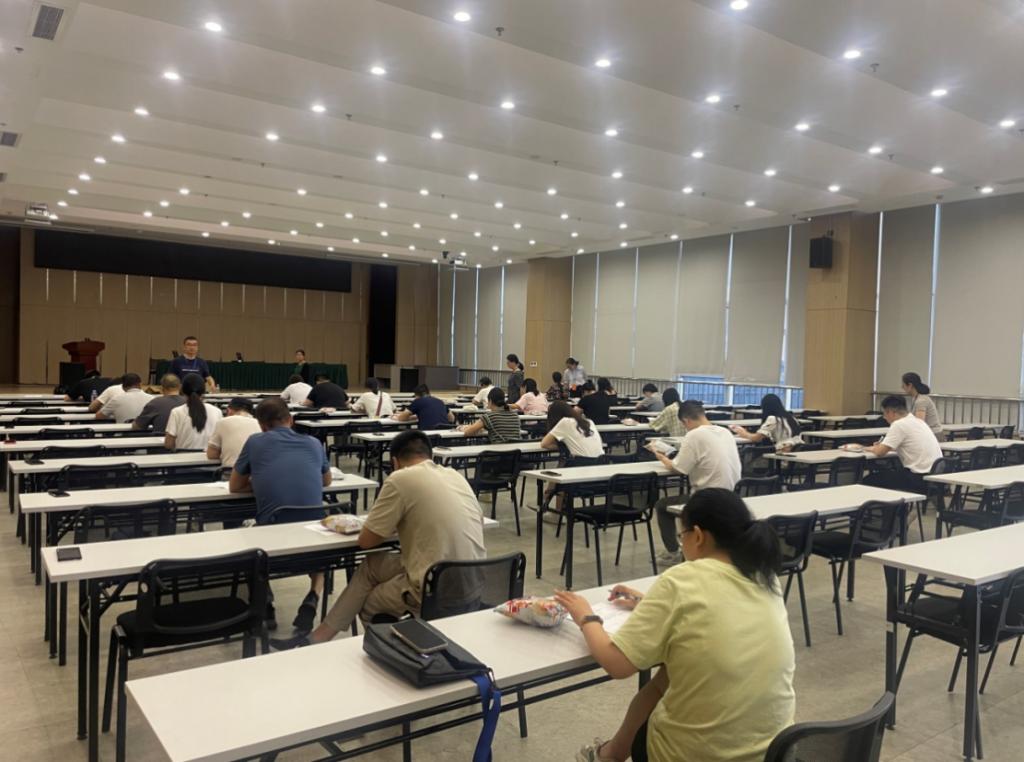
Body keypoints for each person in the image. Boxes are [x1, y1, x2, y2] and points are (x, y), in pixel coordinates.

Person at [557, 488, 795, 762]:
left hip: (696, 755)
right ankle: (612, 754)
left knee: (664, 681)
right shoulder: (764, 574)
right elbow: (711, 615)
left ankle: (609, 755)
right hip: (774, 752)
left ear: (698, 536)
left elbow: (617, 665)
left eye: (682, 537)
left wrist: (586, 616)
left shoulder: (682, 579)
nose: (682, 544)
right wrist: (650, 604)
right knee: (667, 675)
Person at [270, 430, 486, 649]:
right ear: (429, 455)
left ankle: (392, 652)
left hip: (434, 590)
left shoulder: (400, 478)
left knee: (369, 603)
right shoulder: (455, 476)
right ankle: (318, 637)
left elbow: (367, 541)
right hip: (472, 583)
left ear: (395, 462)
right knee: (371, 565)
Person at [231, 398, 331, 632]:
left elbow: (234, 486)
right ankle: (314, 595)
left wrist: (259, 482)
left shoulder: (255, 441)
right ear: (291, 420)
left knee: (243, 538)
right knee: (321, 558)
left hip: (273, 530)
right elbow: (326, 481)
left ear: (261, 425)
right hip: (313, 531)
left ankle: (265, 600)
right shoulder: (314, 442)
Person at [647, 401, 741, 565]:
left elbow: (679, 469)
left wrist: (662, 458)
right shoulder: (725, 432)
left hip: (707, 499)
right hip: (731, 496)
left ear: (686, 421)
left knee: (662, 506)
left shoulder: (694, 435)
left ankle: (673, 553)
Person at [844, 395, 943, 492]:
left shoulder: (898, 424)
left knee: (869, 480)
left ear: (891, 412)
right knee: (891, 474)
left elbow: (880, 452)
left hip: (918, 478)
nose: (884, 418)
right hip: (935, 476)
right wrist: (884, 446)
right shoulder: (918, 421)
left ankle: (881, 503)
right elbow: (908, 445)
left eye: (884, 414)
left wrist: (864, 448)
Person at [164, 373, 223, 451]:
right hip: (209, 457)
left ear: (182, 390)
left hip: (182, 458)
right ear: (203, 391)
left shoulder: (176, 412)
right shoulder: (217, 411)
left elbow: (168, 444)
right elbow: (221, 440)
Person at [731, 393, 803, 452]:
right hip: (797, 453)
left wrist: (743, 433)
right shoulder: (792, 418)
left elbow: (757, 438)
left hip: (782, 455)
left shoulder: (773, 419)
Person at [207, 397, 261, 468]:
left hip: (230, 471)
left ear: (229, 410)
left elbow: (211, 455)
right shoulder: (260, 423)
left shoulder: (223, 422)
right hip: (256, 472)